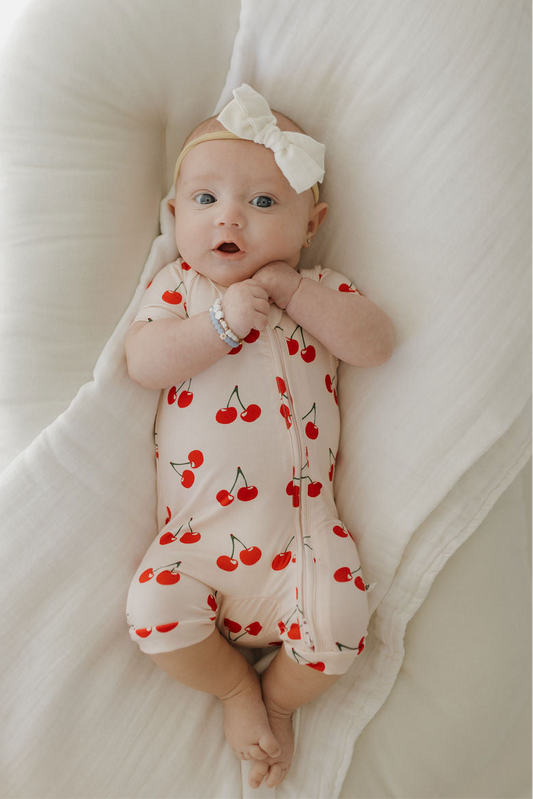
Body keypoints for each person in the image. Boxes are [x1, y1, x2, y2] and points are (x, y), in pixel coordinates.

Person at [125, 84, 394, 790]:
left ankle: (275, 697)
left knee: (342, 626)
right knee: (150, 611)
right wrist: (218, 328)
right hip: (196, 538)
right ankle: (234, 689)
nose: (231, 218)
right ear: (175, 214)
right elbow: (143, 360)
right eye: (205, 200)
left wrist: (296, 293)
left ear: (313, 224)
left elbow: (375, 344)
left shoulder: (319, 290)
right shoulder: (181, 290)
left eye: (265, 203)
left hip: (302, 540)